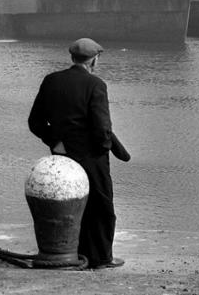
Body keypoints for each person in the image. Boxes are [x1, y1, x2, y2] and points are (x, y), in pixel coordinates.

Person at [27, 37, 127, 269]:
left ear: (72, 57)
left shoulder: (51, 81)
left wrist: (56, 142)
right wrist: (101, 150)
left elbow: (35, 121)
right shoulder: (96, 85)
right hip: (92, 157)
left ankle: (72, 251)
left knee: (68, 205)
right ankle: (102, 258)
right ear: (94, 60)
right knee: (101, 208)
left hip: (62, 157)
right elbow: (103, 128)